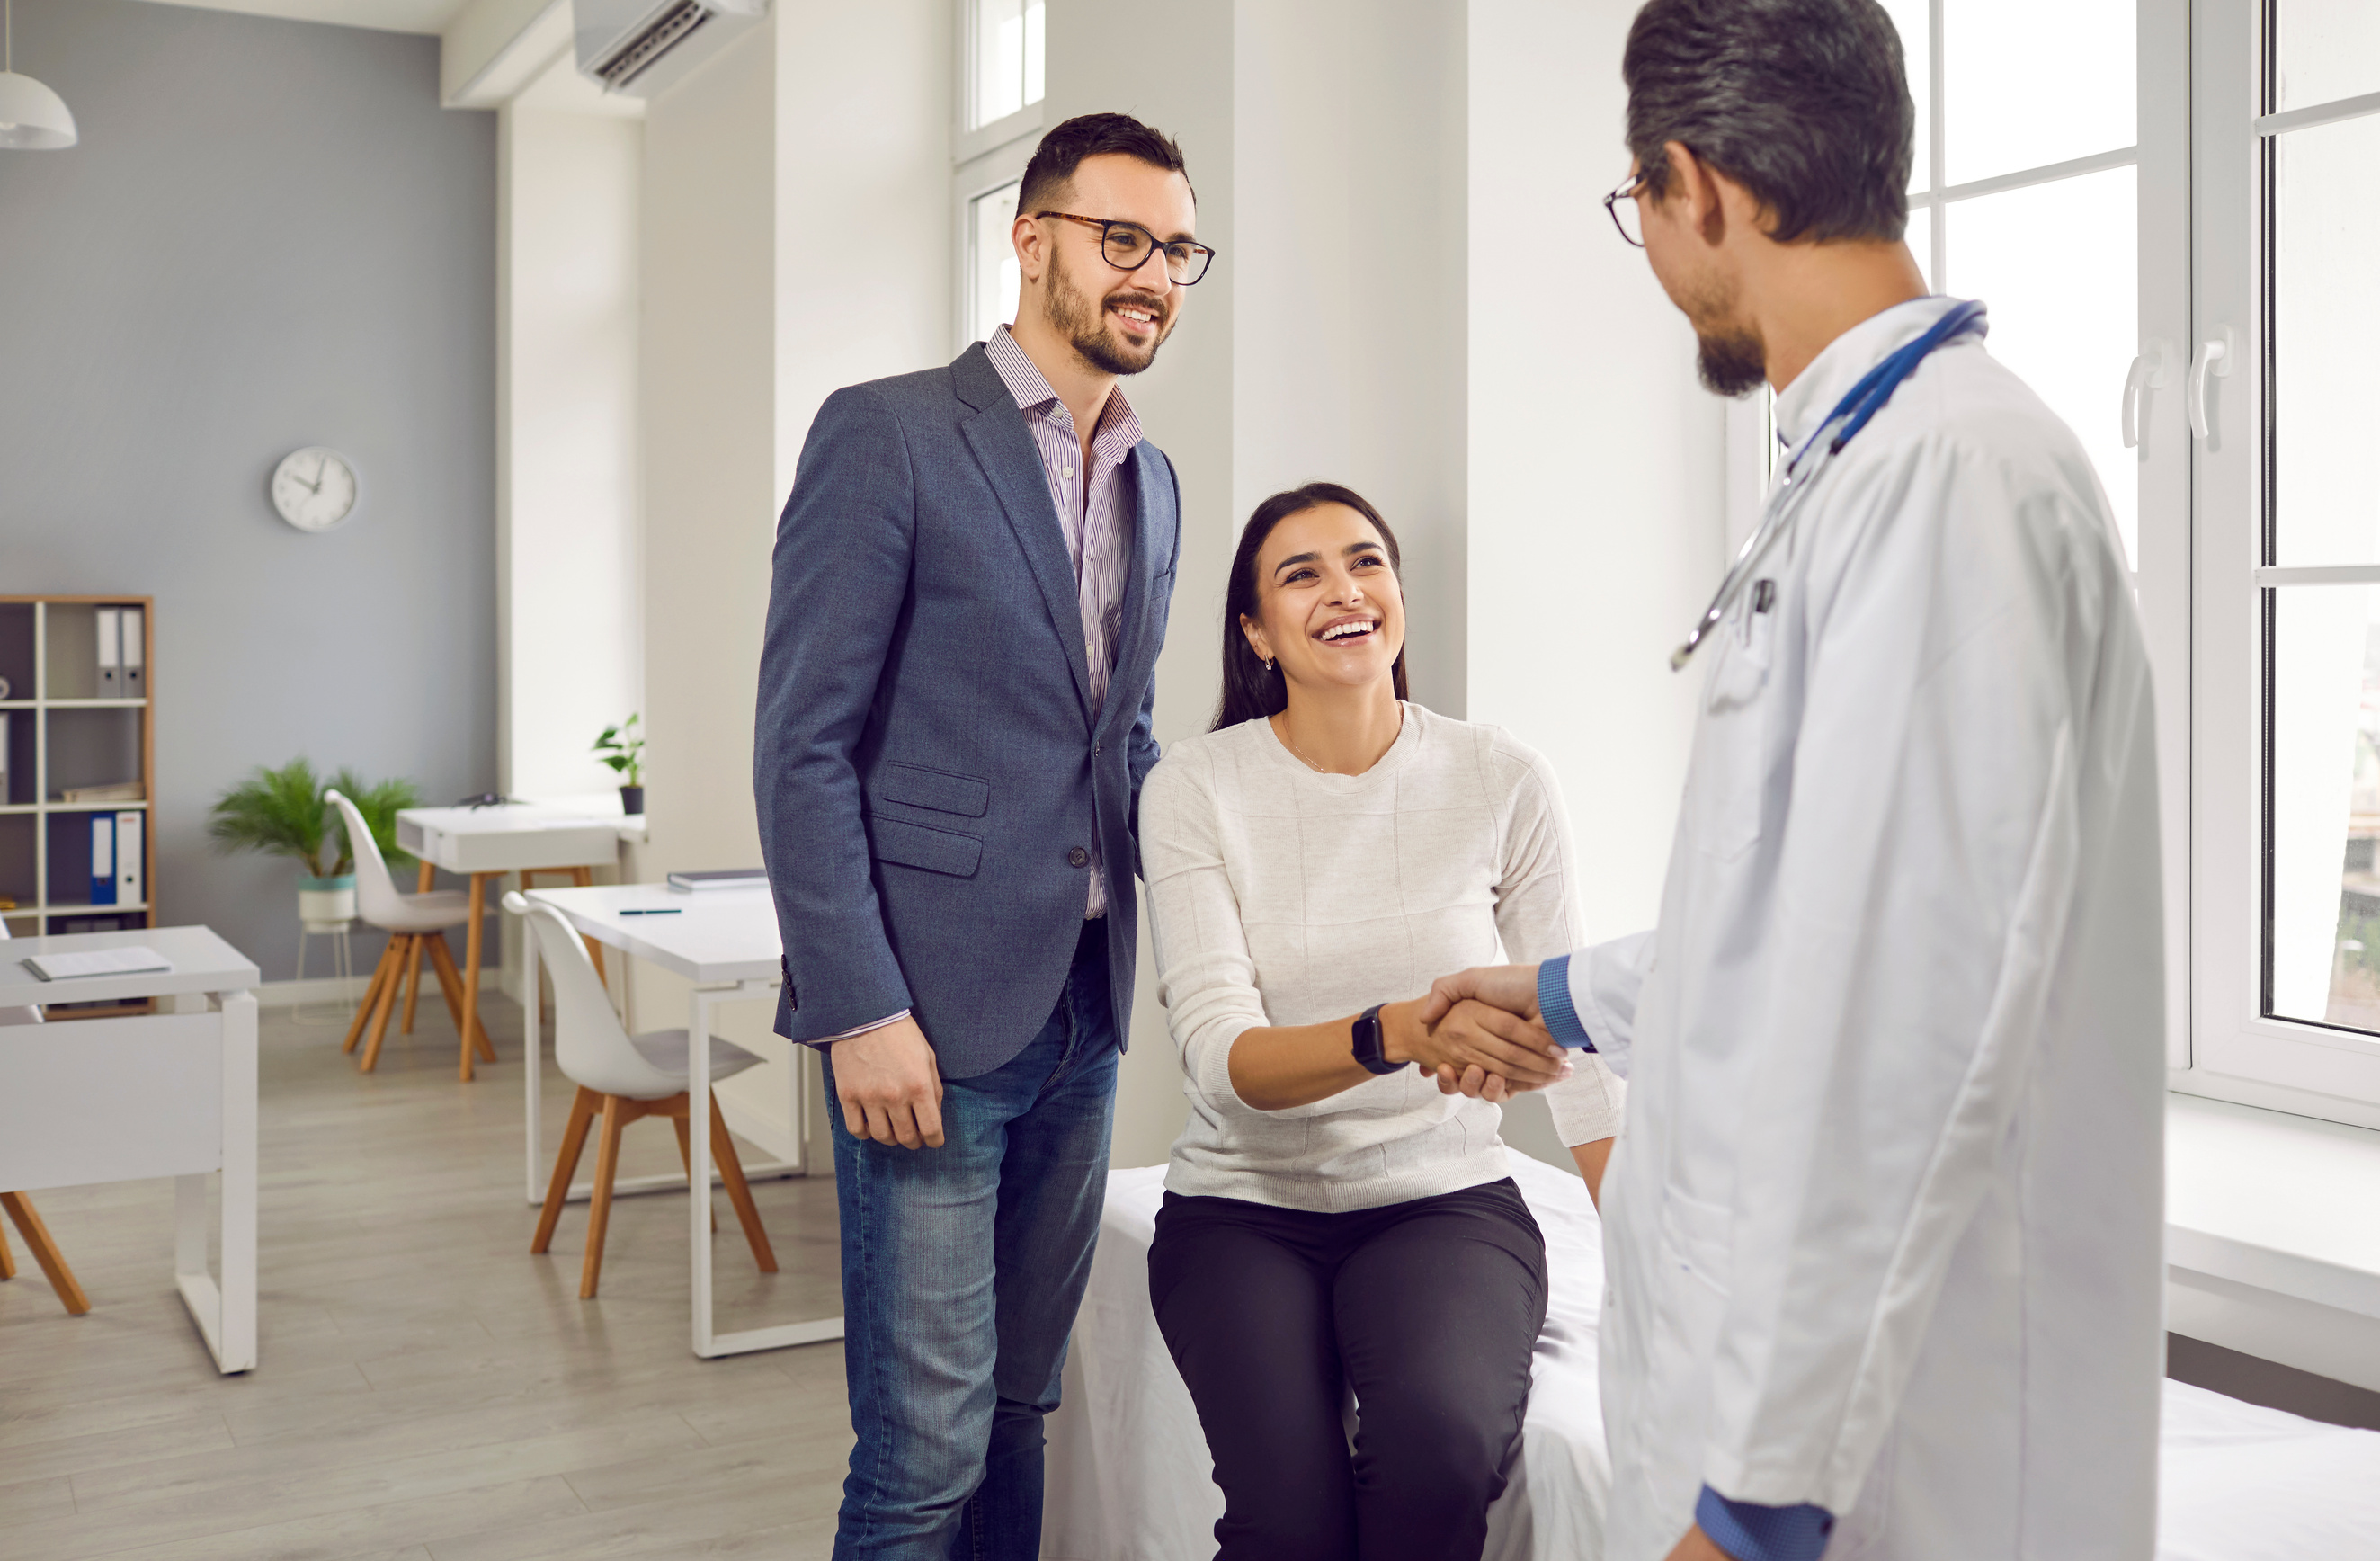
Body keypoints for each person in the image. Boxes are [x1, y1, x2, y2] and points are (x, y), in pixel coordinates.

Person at [1422, 3, 2164, 1559]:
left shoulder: (1950, 484)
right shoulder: (1859, 469)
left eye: (1639, 208)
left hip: (1876, 1474)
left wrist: (1757, 1502)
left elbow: (1916, 1030)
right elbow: (1807, 913)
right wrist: (1560, 996)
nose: (1650, 251)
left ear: (1700, 187)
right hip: (1773, 1420)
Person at [753, 112, 1208, 1559]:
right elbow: (802, 746)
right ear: (1029, 241)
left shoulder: (1154, 480)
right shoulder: (886, 432)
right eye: (1120, 238)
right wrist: (857, 1006)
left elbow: (1116, 746)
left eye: (1178, 249)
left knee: (1021, 1414)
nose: (1152, 275)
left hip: (1082, 1016)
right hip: (928, 1023)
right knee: (921, 1453)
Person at [1138, 482, 1627, 1561]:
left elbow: (1581, 1033)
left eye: (1365, 561)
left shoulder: (1499, 775)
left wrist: (1646, 1253)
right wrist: (1396, 1031)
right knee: (1291, 1527)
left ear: (1396, 595)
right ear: (1256, 632)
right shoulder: (1194, 787)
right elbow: (1222, 1063)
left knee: (1441, 1458)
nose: (1343, 589)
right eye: (1299, 573)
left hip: (1442, 1202)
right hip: (1242, 1209)